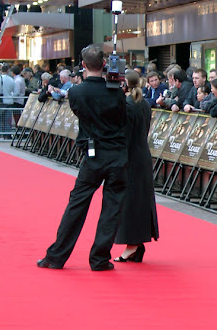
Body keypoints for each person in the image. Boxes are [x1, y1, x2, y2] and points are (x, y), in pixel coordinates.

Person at [37, 45, 127, 271]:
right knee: (111, 207)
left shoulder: (77, 92)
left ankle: (56, 256)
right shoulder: (116, 91)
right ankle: (99, 259)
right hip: (117, 154)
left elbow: (81, 114)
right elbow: (123, 117)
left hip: (93, 153)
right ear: (105, 65)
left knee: (77, 204)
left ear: (84, 65)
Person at [114, 71, 159, 262]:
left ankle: (132, 245)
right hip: (142, 155)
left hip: (131, 157)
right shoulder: (143, 103)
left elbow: (125, 136)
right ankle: (136, 245)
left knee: (131, 202)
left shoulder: (129, 105)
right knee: (139, 200)